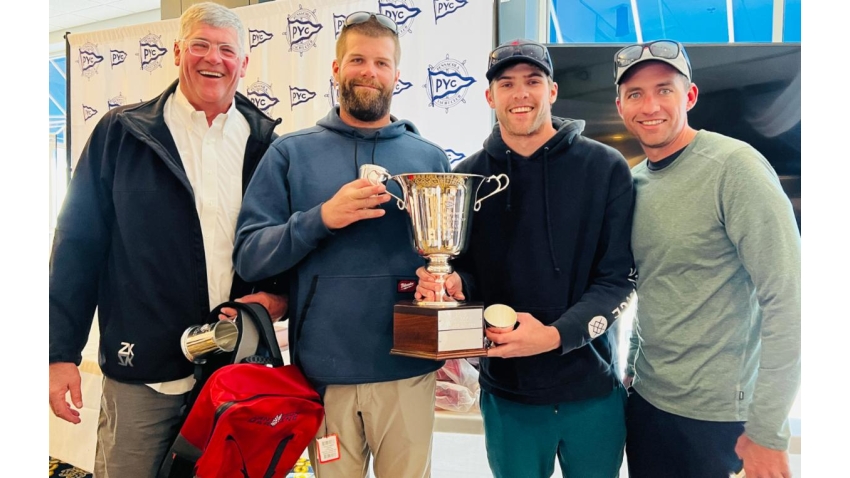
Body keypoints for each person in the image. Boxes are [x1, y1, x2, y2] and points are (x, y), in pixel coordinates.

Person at [48, 3, 288, 476]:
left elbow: (286, 241)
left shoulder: (269, 145)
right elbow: (76, 249)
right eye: (200, 44)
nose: (212, 59)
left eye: (226, 50)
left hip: (233, 372)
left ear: (244, 63)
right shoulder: (121, 135)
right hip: (142, 373)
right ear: (177, 51)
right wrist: (58, 355)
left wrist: (280, 296)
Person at [232, 12, 451, 478]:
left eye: (381, 62)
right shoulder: (291, 152)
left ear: (397, 74)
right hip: (323, 375)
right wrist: (320, 219)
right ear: (336, 70)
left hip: (408, 371)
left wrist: (447, 284)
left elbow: (457, 262)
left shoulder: (430, 159)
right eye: (357, 60)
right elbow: (250, 254)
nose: (369, 71)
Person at [416, 39, 636, 478]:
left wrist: (554, 336)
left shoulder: (606, 168)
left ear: (551, 91)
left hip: (591, 391)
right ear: (489, 96)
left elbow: (618, 280)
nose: (520, 94)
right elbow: (471, 276)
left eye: (533, 81)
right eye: (507, 83)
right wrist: (458, 286)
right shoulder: (467, 179)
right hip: (509, 397)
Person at [613, 40, 801, 478]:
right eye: (635, 94)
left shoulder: (735, 168)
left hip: (720, 419)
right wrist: (631, 370)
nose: (650, 105)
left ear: (690, 96)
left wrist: (768, 432)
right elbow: (651, 284)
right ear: (620, 106)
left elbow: (788, 301)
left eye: (664, 89)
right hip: (649, 405)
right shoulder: (633, 182)